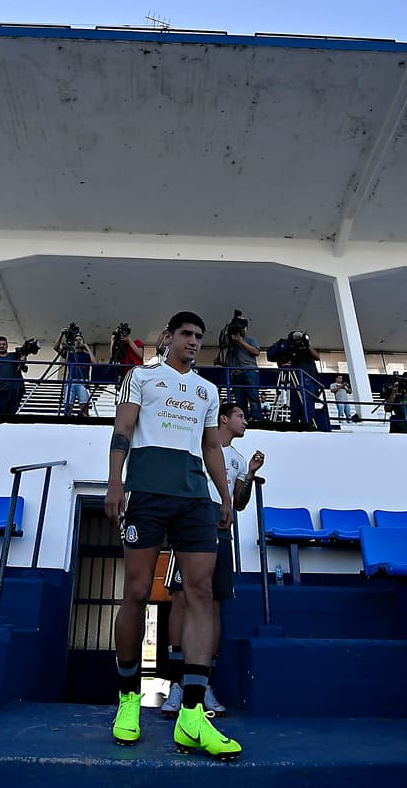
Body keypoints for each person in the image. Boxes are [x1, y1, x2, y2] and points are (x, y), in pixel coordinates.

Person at [104, 311, 240, 760]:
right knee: (137, 593)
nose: (194, 341)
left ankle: (192, 715)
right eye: (187, 334)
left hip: (194, 500)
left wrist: (222, 494)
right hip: (146, 494)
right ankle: (129, 700)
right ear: (168, 337)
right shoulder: (141, 378)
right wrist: (115, 482)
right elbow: (122, 430)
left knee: (200, 592)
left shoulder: (206, 390)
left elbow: (210, 446)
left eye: (200, 336)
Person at [161, 403, 264, 719]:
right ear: (224, 418)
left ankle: (201, 682)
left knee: (214, 604)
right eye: (240, 416)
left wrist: (248, 473)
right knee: (181, 600)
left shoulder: (235, 459)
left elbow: (240, 503)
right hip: (192, 530)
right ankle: (177, 684)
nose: (245, 421)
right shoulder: (198, 445)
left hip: (221, 535)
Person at [266, 331, 322, 428]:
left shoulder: (306, 348)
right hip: (294, 380)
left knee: (307, 403)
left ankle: (309, 424)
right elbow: (272, 356)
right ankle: (295, 424)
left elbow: (317, 357)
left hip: (307, 378)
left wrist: (307, 345)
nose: (297, 341)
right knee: (295, 405)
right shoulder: (287, 349)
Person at [222, 314, 263, 423]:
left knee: (253, 396)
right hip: (236, 373)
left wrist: (241, 341)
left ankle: (257, 418)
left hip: (250, 371)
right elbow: (223, 346)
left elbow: (256, 352)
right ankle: (243, 418)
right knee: (240, 399)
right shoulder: (231, 342)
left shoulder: (250, 339)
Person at [0, 336, 31, 417]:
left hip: (16, 388)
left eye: (4, 344)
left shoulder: (14, 355)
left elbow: (23, 366)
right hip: (1, 389)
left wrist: (24, 356)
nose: (1, 346)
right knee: (0, 412)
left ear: (7, 346)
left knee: (11, 413)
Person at [63, 333, 98, 416]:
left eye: (80, 340)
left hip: (83, 381)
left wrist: (87, 348)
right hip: (71, 381)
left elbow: (95, 363)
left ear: (83, 342)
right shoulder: (70, 354)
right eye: (76, 340)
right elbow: (56, 348)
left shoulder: (86, 355)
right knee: (68, 405)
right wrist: (62, 334)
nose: (78, 341)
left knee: (84, 406)